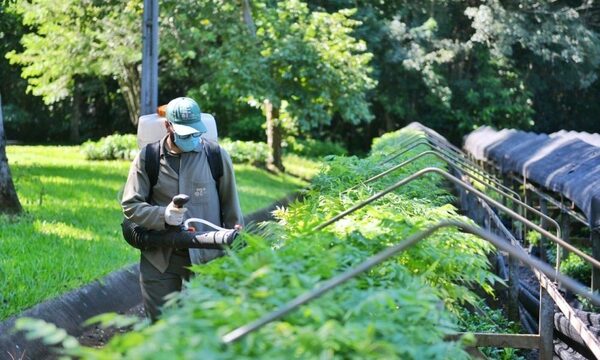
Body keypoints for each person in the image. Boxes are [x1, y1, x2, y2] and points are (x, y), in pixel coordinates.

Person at [121, 97, 243, 321]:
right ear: (168, 126)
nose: (192, 138)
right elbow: (131, 205)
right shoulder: (148, 158)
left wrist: (235, 248)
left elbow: (232, 209)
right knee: (161, 326)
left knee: (208, 324)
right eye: (185, 133)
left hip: (208, 257)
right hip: (161, 257)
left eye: (196, 132)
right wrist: (163, 216)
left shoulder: (215, 156)